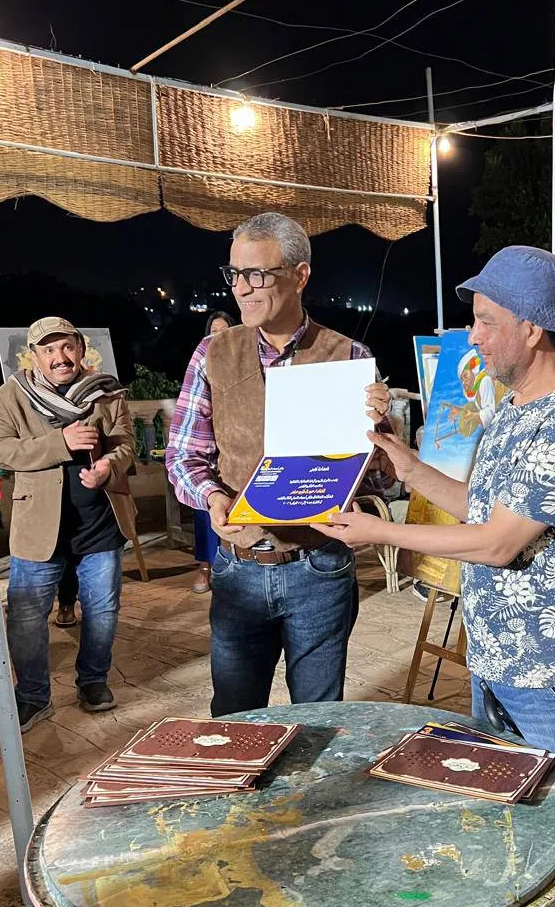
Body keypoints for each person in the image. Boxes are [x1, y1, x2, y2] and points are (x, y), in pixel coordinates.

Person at [320, 246, 555, 907]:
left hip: (550, 667)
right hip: (495, 654)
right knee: (511, 806)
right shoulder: (515, 410)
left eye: (485, 322)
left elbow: (497, 542)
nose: (472, 336)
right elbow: (479, 504)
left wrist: (382, 533)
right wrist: (402, 461)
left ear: (533, 328)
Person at [165, 212, 394, 716]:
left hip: (320, 566)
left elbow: (379, 478)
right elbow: (184, 454)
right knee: (235, 719)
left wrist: (380, 432)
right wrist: (213, 497)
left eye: (256, 274)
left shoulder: (348, 355)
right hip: (239, 566)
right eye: (234, 274)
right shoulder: (212, 352)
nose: (241, 288)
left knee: (318, 717)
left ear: (300, 274)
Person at [0, 317, 137, 730]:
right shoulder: (10, 396)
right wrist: (61, 442)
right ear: (34, 356)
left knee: (102, 610)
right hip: (38, 529)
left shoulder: (107, 392)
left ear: (81, 349)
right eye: (49, 349)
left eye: (67, 347)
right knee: (25, 617)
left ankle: (93, 682)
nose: (60, 357)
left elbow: (126, 442)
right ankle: (33, 697)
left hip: (100, 524)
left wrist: (109, 465)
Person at [190, 311, 240, 595]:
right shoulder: (201, 367)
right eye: (213, 332)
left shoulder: (243, 367)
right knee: (205, 508)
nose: (217, 338)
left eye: (224, 332)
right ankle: (205, 566)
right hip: (210, 461)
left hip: (236, 462)